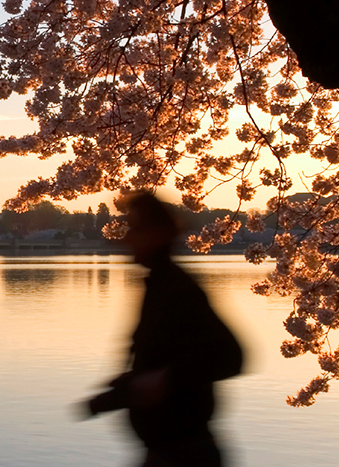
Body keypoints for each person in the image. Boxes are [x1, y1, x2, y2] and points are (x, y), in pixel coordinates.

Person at [81, 192, 243, 467]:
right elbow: (164, 359)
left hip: (186, 455)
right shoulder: (157, 286)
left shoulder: (178, 289)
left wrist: (165, 379)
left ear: (159, 233)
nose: (127, 237)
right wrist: (128, 386)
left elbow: (230, 356)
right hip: (164, 451)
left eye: (136, 228)